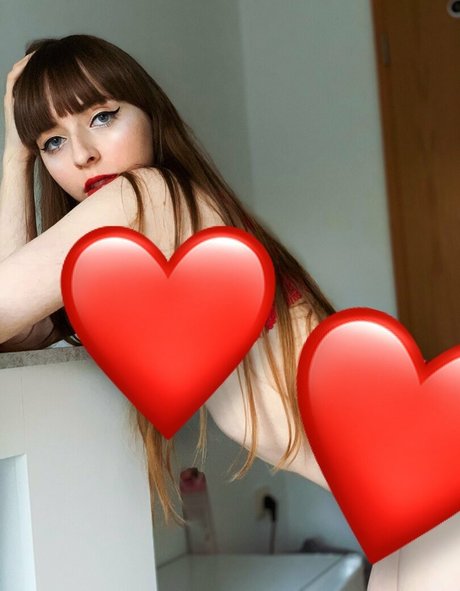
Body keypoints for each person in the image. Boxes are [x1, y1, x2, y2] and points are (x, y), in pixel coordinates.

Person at [0, 35, 458, 591]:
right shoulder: (151, 238)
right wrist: (16, 155)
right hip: (408, 514)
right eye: (51, 142)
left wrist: (18, 151)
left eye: (102, 116)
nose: (81, 155)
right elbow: (20, 331)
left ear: (150, 114)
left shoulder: (146, 194)